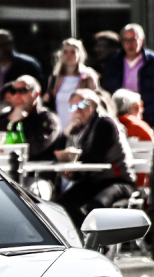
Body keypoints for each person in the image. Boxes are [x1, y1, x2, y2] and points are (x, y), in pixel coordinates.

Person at [54, 89, 135, 226]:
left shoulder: (106, 124)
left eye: (83, 105)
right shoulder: (79, 127)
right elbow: (58, 153)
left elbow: (96, 158)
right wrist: (66, 134)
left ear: (94, 106)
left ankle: (98, 243)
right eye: (73, 107)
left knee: (94, 207)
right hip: (95, 180)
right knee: (59, 207)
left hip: (117, 180)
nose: (78, 111)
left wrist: (73, 172)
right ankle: (80, 239)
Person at [100, 23, 154, 126]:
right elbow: (107, 89)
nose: (129, 44)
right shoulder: (114, 62)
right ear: (121, 42)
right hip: (119, 115)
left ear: (142, 40)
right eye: (126, 40)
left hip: (147, 115)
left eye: (133, 39)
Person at [0, 76, 60, 159]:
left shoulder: (48, 119)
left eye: (23, 90)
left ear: (36, 94)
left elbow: (35, 147)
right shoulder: (5, 116)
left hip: (37, 169)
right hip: (6, 168)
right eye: (14, 91)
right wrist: (10, 121)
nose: (17, 95)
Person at [112, 89, 154, 190]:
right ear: (132, 108)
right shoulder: (139, 127)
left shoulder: (110, 126)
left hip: (116, 180)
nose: (142, 110)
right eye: (139, 106)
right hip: (145, 183)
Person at [44, 38, 102, 130]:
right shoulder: (55, 77)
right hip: (59, 124)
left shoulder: (88, 76)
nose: (69, 55)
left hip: (81, 124)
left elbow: (96, 101)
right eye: (65, 52)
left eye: (72, 52)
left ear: (80, 55)